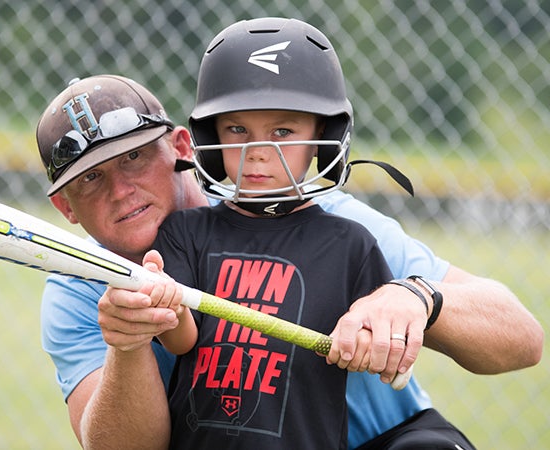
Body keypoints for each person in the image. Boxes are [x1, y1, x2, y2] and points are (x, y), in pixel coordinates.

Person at [35, 56, 541, 450]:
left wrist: (415, 297)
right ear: (65, 207)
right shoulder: (79, 288)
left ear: (183, 148)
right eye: (92, 179)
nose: (122, 190)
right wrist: (127, 346)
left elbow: (522, 338)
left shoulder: (307, 215)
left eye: (135, 157)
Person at [141, 18, 409, 448]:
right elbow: (181, 341)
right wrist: (164, 305)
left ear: (324, 134)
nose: (258, 152)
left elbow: (380, 346)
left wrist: (365, 344)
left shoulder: (349, 245)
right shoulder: (185, 232)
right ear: (211, 136)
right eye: (236, 130)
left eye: (283, 131)